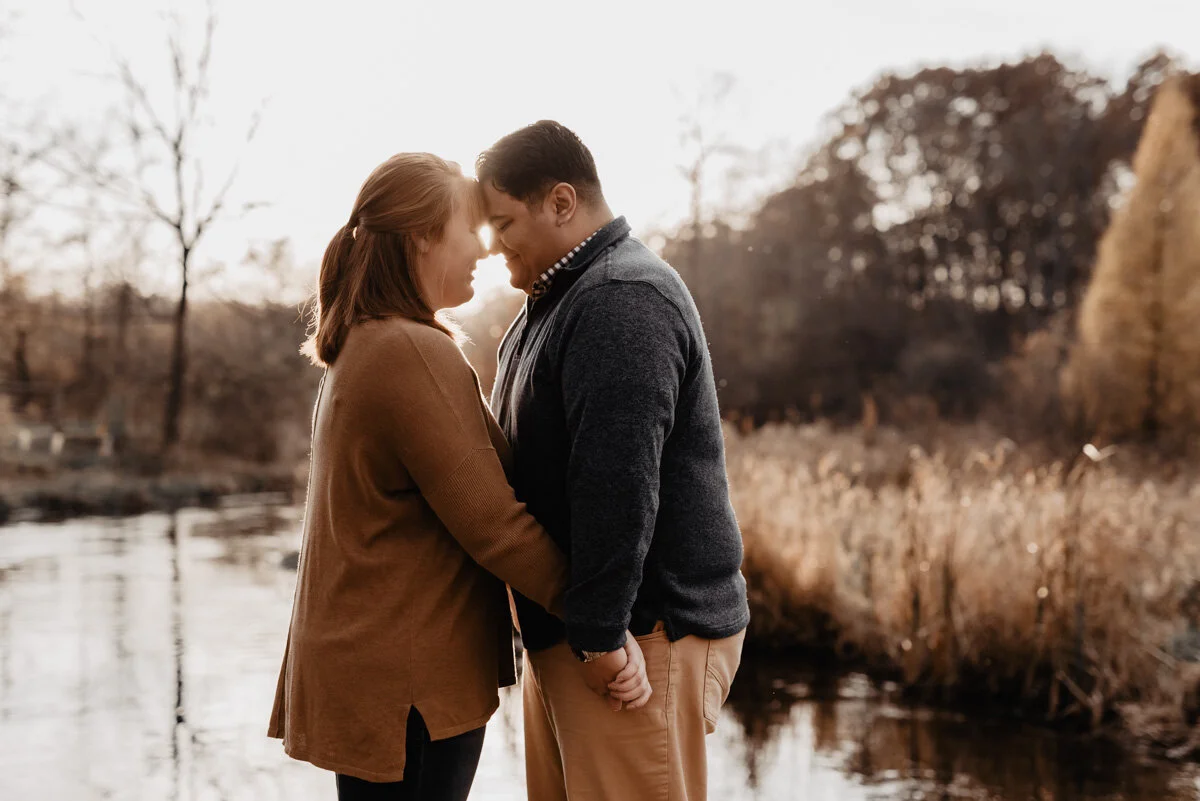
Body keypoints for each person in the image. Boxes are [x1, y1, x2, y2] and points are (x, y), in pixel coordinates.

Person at [267, 152, 651, 801]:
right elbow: (495, 525)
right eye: (469, 228)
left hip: (377, 669)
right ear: (422, 237)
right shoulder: (409, 351)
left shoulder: (368, 339)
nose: (486, 248)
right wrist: (600, 629)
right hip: (408, 682)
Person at [477, 121, 751, 801]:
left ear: (561, 202)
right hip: (587, 633)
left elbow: (618, 480)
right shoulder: (555, 299)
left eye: (503, 223)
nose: (491, 244)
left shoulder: (619, 297)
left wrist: (600, 635)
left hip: (639, 637)